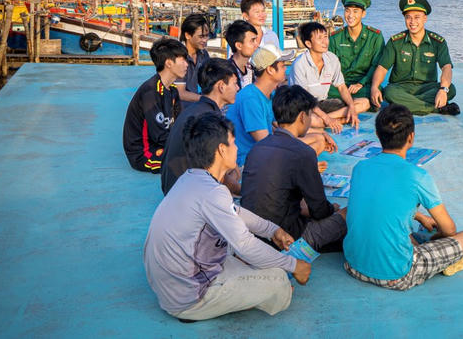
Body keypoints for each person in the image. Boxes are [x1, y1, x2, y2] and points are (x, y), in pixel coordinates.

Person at [144, 113, 311, 321]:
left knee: (249, 256)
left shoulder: (191, 179)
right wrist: (293, 265)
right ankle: (202, 308)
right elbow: (246, 245)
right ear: (222, 150)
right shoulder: (214, 192)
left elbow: (235, 212)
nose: (237, 148)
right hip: (188, 297)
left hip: (171, 286)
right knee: (278, 279)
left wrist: (272, 230)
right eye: (233, 143)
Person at [343, 104, 463, 290]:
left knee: (405, 232)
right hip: (397, 274)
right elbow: (449, 228)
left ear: (378, 134)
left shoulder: (360, 168)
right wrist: (438, 238)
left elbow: (380, 202)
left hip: (353, 264)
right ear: (411, 137)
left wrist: (419, 216)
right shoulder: (418, 176)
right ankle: (442, 261)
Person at [241, 86, 347, 253]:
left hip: (250, 234)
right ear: (303, 117)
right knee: (347, 216)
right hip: (283, 237)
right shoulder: (303, 153)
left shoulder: (258, 148)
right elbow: (319, 211)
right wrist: (333, 209)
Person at [370, 0, 459, 116]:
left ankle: (401, 107)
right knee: (388, 92)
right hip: (400, 88)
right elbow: (382, 68)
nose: (412, 22)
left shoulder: (438, 42)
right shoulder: (395, 42)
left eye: (417, 17)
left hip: (427, 88)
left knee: (451, 89)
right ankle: (436, 108)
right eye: (408, 17)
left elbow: (446, 67)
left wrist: (443, 90)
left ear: (425, 18)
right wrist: (374, 87)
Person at [161, 58, 240, 196]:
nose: (238, 88)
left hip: (173, 185)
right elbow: (213, 170)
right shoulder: (210, 121)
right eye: (235, 83)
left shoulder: (195, 109)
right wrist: (242, 191)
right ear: (221, 86)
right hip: (186, 193)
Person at [122, 38, 186, 173]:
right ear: (169, 63)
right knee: (192, 162)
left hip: (160, 145)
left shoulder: (173, 91)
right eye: (183, 60)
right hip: (144, 153)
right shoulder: (150, 92)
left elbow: (179, 125)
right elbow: (159, 135)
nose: (187, 64)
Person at [289, 21, 366, 130]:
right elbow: (303, 99)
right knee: (311, 119)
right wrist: (326, 118)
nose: (325, 42)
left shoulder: (332, 58)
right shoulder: (300, 64)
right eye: (320, 38)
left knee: (364, 103)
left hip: (322, 103)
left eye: (326, 37)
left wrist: (352, 108)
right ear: (309, 44)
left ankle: (328, 120)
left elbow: (341, 87)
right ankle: (339, 120)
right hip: (304, 106)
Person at [227, 43, 291, 166]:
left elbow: (284, 126)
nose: (285, 70)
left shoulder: (268, 94)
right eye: (283, 66)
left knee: (316, 141)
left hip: (261, 154)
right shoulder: (250, 99)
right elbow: (265, 142)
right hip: (247, 162)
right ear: (270, 70)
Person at [328, 0, 384, 102]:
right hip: (340, 85)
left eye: (355, 11)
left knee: (377, 92)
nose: (350, 15)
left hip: (364, 84)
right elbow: (331, 67)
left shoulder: (375, 37)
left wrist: (360, 83)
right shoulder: (335, 37)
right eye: (347, 10)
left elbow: (376, 66)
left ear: (363, 13)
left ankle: (344, 105)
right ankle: (354, 104)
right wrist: (341, 86)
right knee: (323, 91)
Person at [176, 13, 211, 105]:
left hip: (194, 104)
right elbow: (180, 93)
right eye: (201, 36)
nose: (205, 40)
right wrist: (206, 99)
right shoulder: (178, 57)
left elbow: (207, 80)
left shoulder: (203, 55)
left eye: (207, 36)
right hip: (178, 109)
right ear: (187, 35)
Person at [224, 19, 259, 91]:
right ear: (239, 46)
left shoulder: (252, 69)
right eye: (252, 40)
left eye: (256, 40)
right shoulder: (226, 73)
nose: (257, 44)